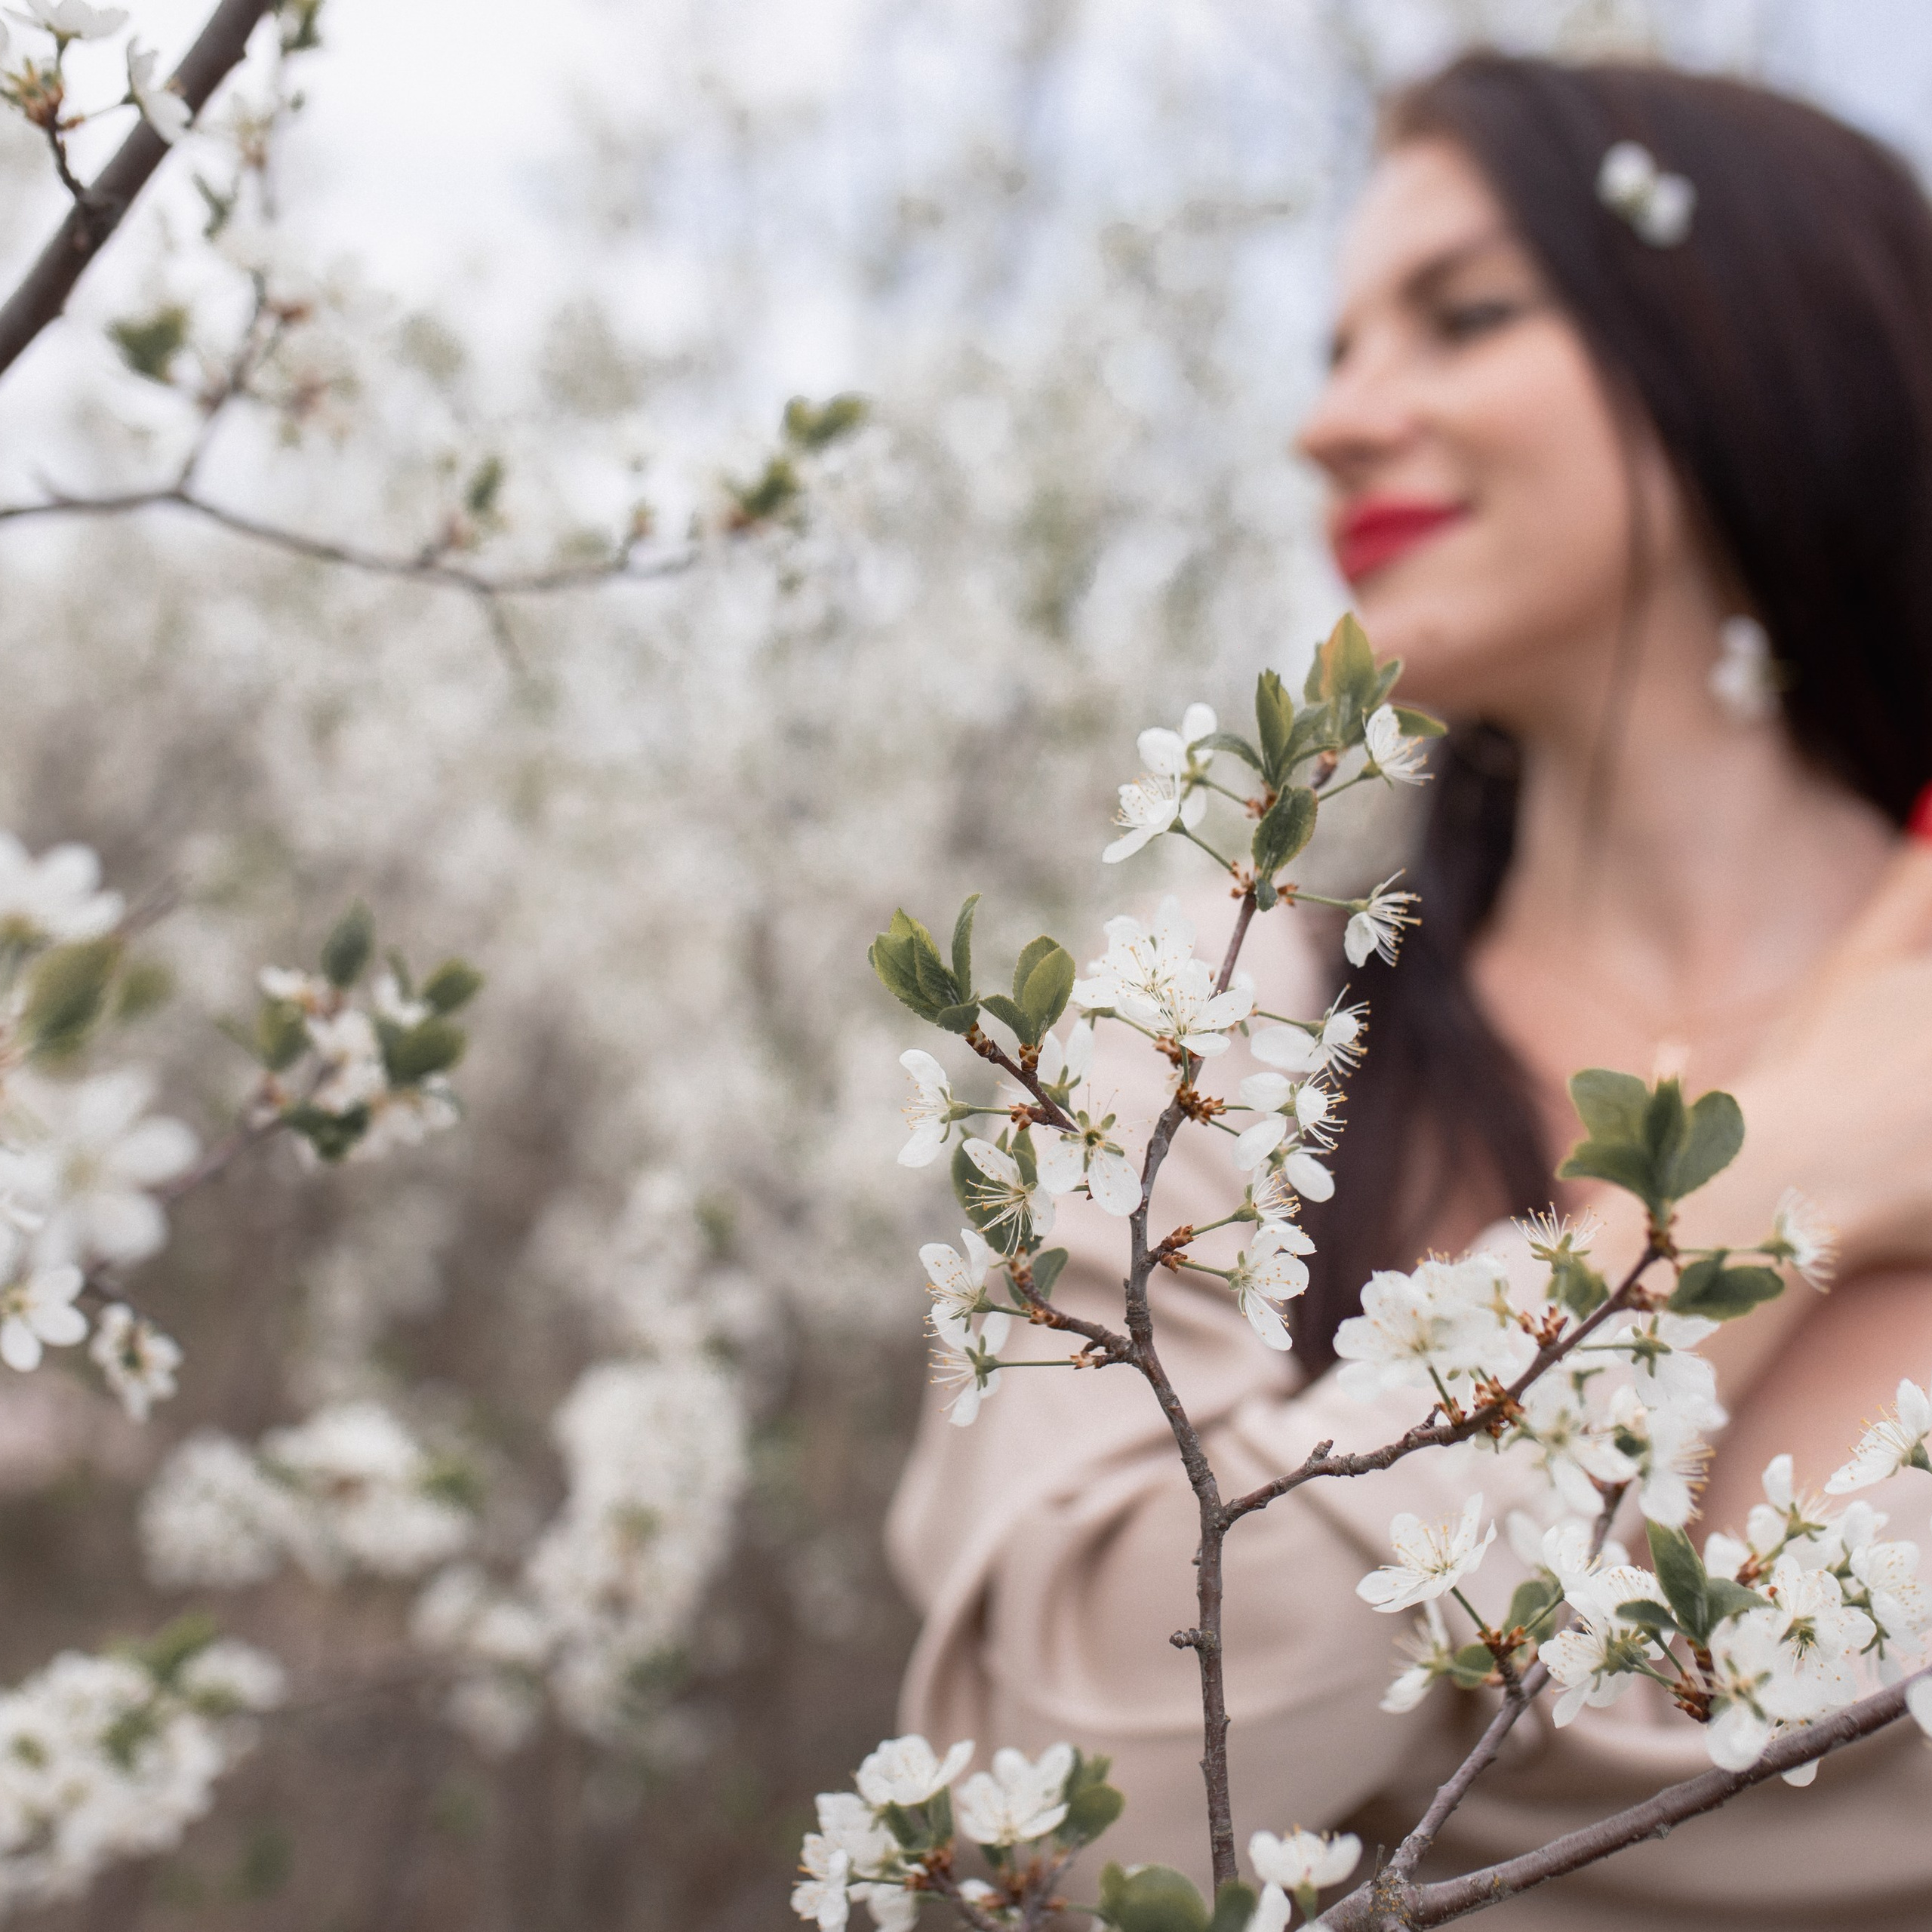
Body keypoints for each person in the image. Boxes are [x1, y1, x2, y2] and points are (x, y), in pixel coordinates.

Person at [887, 54, 1932, 1930]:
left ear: (1755, 343)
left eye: (1460, 317)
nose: (1330, 424)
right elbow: (1056, 1799)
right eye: (1332, 347)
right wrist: (1757, 1197)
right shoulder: (1210, 1031)